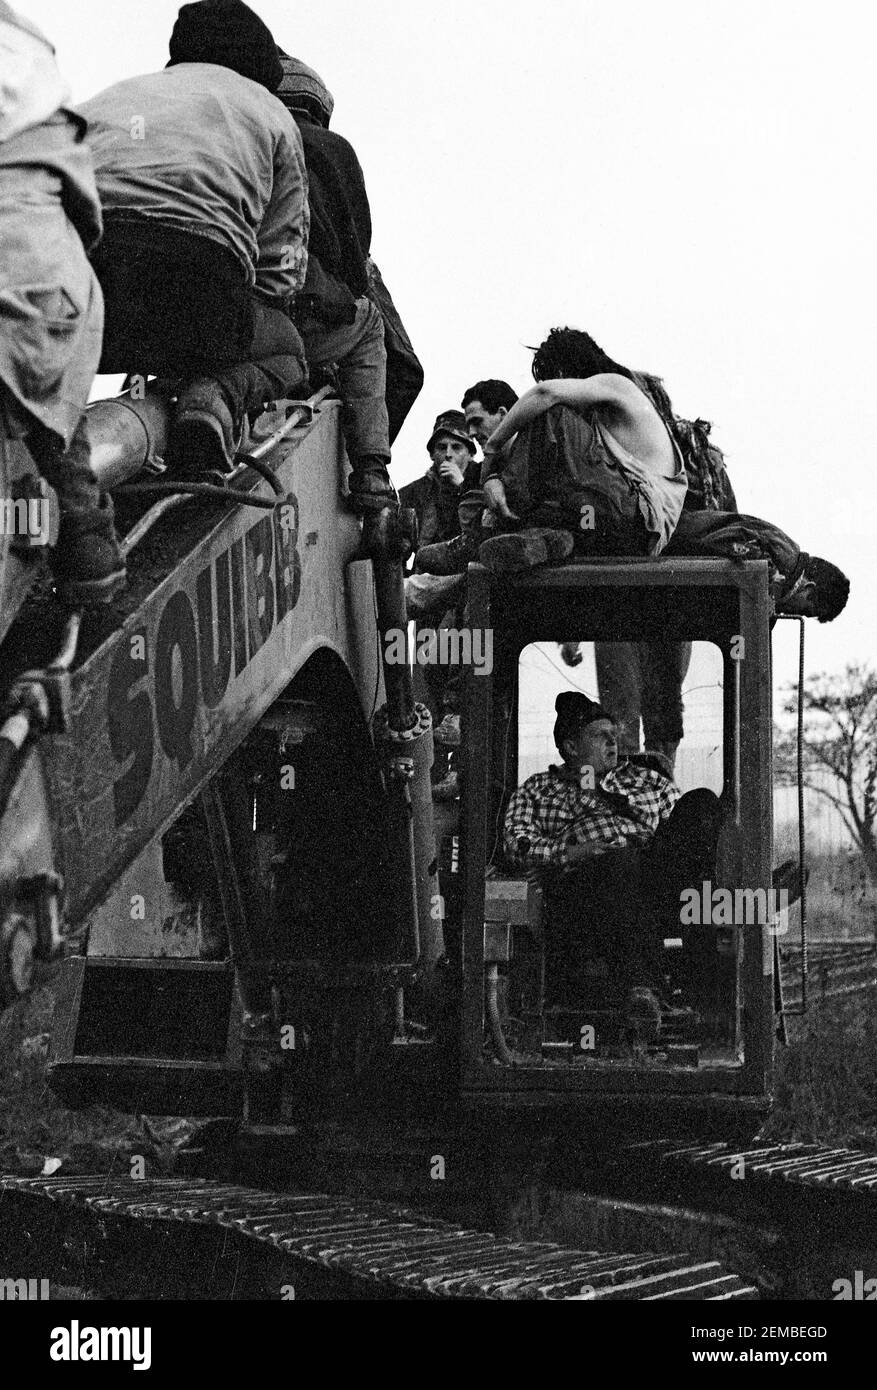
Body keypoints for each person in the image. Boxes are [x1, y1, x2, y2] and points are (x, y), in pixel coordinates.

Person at [78, 0, 309, 475]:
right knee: (287, 347)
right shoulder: (271, 113)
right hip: (198, 294)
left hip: (85, 295)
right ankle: (212, 398)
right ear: (261, 65)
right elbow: (281, 269)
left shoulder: (112, 96)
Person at [0, 1, 125, 605]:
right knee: (54, 419)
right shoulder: (30, 63)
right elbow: (89, 222)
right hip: (53, 279)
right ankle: (88, 547)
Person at [504, 692, 723, 1022]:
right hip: (584, 889)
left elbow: (681, 833)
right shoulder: (539, 789)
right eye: (599, 735)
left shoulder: (646, 779)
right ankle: (642, 991)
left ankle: (735, 890)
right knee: (620, 862)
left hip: (652, 872)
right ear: (571, 747)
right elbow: (516, 843)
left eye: (614, 734)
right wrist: (571, 852)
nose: (613, 741)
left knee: (701, 805)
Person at [275, 53, 400, 512]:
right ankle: (370, 468)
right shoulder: (335, 149)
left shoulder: (246, 137)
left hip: (236, 314)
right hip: (305, 317)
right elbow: (356, 247)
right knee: (368, 327)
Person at [401, 411, 480, 787]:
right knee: (425, 690)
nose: (448, 454)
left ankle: (461, 770)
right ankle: (432, 775)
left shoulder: (480, 482)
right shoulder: (413, 494)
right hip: (427, 609)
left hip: (469, 604)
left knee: (467, 693)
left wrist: (464, 487)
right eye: (441, 447)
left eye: (457, 446)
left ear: (470, 452)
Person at [461, 379, 518, 451]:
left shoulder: (534, 455)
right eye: (468, 426)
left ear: (502, 414)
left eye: (476, 422)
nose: (471, 433)